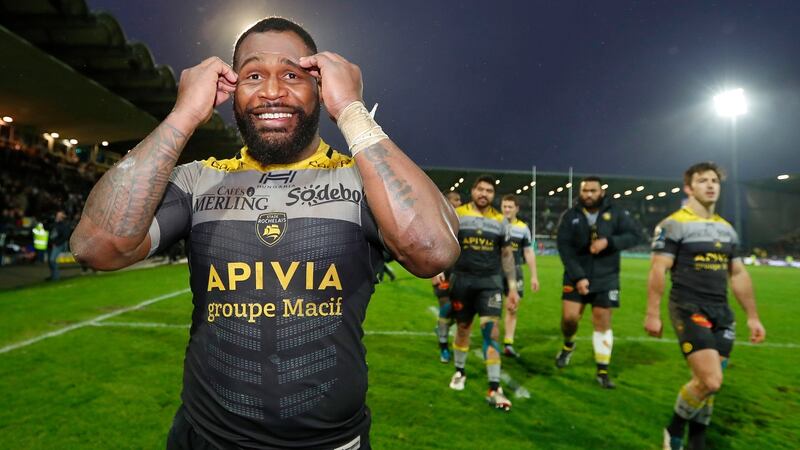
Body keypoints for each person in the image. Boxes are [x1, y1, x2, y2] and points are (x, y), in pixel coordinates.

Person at [71, 17, 459, 450]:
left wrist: (350, 109)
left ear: (319, 86)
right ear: (232, 90)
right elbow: (96, 246)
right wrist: (183, 114)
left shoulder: (359, 181)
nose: (272, 92)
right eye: (254, 75)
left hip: (330, 444)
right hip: (206, 438)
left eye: (292, 75)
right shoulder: (200, 181)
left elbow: (432, 250)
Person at [645, 162, 766, 450]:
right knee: (710, 381)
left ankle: (697, 440)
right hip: (689, 308)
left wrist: (753, 317)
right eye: (702, 181)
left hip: (721, 313)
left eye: (714, 180)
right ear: (688, 188)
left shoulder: (727, 230)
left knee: (709, 382)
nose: (711, 185)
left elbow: (737, 274)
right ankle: (673, 430)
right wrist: (652, 313)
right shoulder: (672, 224)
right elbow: (658, 270)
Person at [554, 176, 641, 388]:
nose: (589, 195)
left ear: (601, 192)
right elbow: (564, 248)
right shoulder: (570, 215)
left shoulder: (616, 213)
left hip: (607, 276)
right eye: (585, 191)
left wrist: (609, 242)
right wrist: (579, 276)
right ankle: (568, 345)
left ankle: (602, 371)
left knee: (602, 320)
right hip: (576, 274)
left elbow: (636, 235)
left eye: (593, 190)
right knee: (569, 319)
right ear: (580, 192)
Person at [447, 175, 518, 411]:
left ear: (493, 195)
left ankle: (494, 386)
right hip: (462, 281)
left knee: (492, 332)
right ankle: (459, 371)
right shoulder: (458, 214)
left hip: (490, 283)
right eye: (480, 189)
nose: (484, 194)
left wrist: (513, 286)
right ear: (473, 191)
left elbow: (507, 256)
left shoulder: (501, 221)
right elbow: (446, 243)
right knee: (464, 328)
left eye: (489, 190)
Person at [499, 194, 539, 358]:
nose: (507, 209)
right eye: (504, 206)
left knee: (512, 307)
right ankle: (492, 339)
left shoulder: (523, 228)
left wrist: (534, 276)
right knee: (491, 307)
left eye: (510, 206)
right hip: (494, 271)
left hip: (515, 271)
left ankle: (508, 343)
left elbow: (528, 252)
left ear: (517, 209)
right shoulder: (495, 223)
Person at [432, 190, 462, 363]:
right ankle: (443, 347)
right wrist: (436, 270)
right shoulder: (439, 221)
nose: (459, 202)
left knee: (456, 312)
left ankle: (442, 330)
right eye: (456, 200)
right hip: (442, 271)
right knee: (446, 308)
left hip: (458, 274)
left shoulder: (462, 221)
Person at [47, 210, 70, 280]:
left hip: (58, 245)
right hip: (51, 245)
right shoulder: (54, 224)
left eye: (59, 215)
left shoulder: (64, 225)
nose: (57, 216)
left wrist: (56, 244)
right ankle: (53, 276)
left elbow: (65, 236)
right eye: (57, 215)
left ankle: (56, 277)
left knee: (52, 260)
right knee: (50, 261)